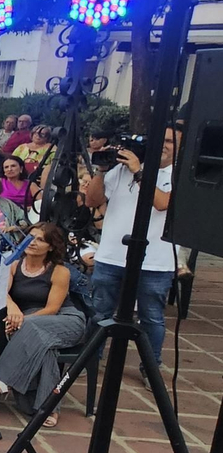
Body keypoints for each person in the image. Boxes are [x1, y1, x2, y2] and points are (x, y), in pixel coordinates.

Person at [85, 127, 179, 359]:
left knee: (151, 317)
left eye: (169, 141)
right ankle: (90, 359)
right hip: (111, 255)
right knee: (100, 313)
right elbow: (92, 200)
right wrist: (101, 169)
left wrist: (138, 171)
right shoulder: (120, 170)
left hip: (156, 260)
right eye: (160, 139)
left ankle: (150, 365)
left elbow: (160, 203)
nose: (163, 145)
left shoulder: (180, 174)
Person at [0, 223, 86, 429]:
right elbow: (2, 294)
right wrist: (13, 308)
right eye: (30, 237)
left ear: (51, 247)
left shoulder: (60, 271)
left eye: (40, 239)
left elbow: (52, 309)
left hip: (64, 320)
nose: (32, 242)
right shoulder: (14, 264)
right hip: (31, 324)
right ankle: (47, 407)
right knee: (45, 349)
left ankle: (0, 382)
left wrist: (22, 321)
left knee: (30, 330)